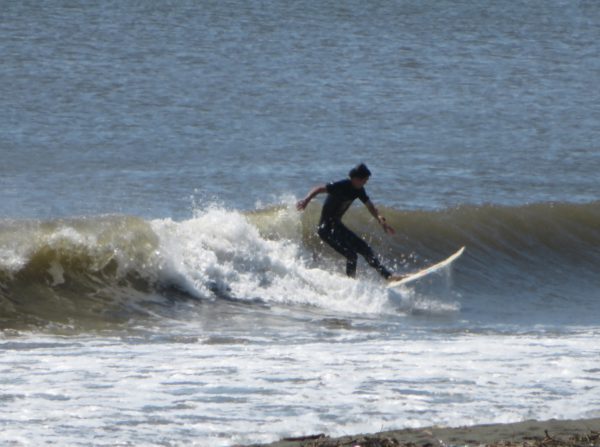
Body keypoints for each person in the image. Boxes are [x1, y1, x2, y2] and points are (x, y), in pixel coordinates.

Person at [296, 163, 400, 280]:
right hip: (325, 229)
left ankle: (388, 276)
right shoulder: (340, 185)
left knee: (366, 249)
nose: (366, 182)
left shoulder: (359, 190)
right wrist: (306, 200)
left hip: (337, 226)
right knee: (352, 255)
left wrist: (380, 219)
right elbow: (319, 188)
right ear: (356, 179)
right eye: (364, 180)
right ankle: (352, 283)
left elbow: (370, 206)